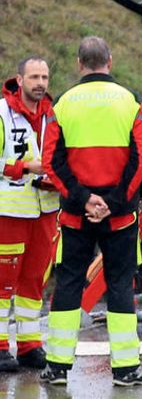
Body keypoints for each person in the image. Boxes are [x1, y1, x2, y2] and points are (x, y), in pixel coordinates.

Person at [39, 37, 142, 386]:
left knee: (70, 282)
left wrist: (83, 199)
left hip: (75, 215)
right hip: (119, 218)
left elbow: (51, 162)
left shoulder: (63, 104)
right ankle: (125, 369)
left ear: (79, 63)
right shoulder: (130, 102)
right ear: (110, 60)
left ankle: (57, 367)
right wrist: (114, 202)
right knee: (119, 283)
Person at [0, 57, 59, 371]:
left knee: (34, 281)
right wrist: (25, 168)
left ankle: (29, 345)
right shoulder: (1, 112)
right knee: (2, 282)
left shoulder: (53, 114)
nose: (40, 83)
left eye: (45, 77)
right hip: (9, 211)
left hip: (45, 208)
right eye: (34, 77)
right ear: (19, 80)